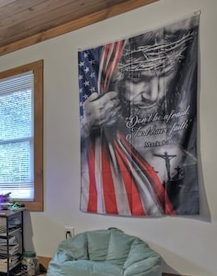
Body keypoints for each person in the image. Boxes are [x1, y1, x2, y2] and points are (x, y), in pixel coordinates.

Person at [79, 15, 199, 216]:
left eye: (165, 74)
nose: (153, 94)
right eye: (140, 79)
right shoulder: (100, 130)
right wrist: (86, 124)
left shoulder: (177, 125)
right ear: (116, 82)